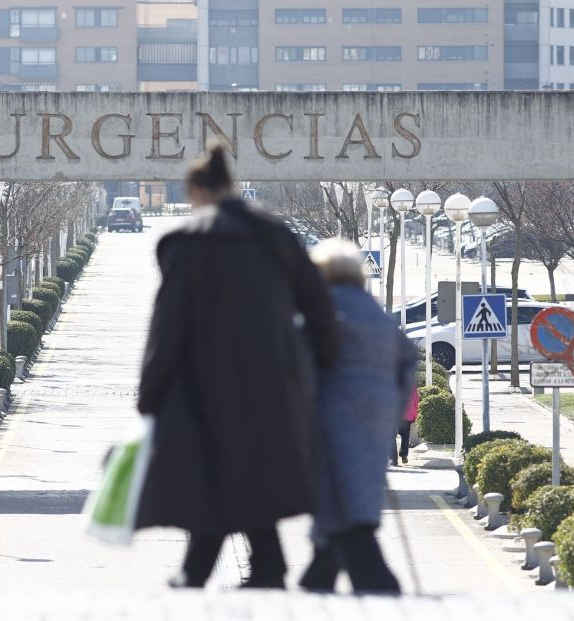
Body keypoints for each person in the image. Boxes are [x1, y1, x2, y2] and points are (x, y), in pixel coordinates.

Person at [135, 144, 339, 589]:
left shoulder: (185, 243)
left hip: (201, 384)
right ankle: (261, 566)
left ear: (197, 191)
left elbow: (167, 325)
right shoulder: (276, 236)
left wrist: (151, 390)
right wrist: (323, 363)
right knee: (248, 468)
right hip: (273, 378)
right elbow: (318, 305)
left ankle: (205, 573)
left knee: (215, 469)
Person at [299, 238, 417, 595]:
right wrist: (393, 408)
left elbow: (302, 363)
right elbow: (407, 360)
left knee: (337, 492)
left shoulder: (322, 309)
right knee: (354, 488)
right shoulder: (375, 312)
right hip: (377, 414)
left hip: (333, 413)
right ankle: (319, 575)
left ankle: (376, 582)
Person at [392, 389, 419, 466]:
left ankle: (394, 459)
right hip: (407, 414)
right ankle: (404, 454)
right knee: (405, 435)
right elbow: (416, 401)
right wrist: (414, 415)